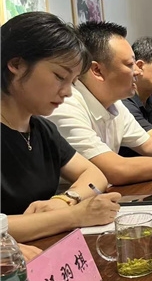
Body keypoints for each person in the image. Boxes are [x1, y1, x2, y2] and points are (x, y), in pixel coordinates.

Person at [47, 21, 152, 186]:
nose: (137, 71)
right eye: (130, 64)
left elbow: (150, 145)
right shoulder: (65, 105)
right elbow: (115, 170)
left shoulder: (115, 104)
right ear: (97, 70)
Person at [1, 12, 120, 242]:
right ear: (16, 64)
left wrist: (65, 200)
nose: (67, 92)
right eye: (59, 76)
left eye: (72, 82)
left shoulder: (42, 129)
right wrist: (73, 216)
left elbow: (94, 174)